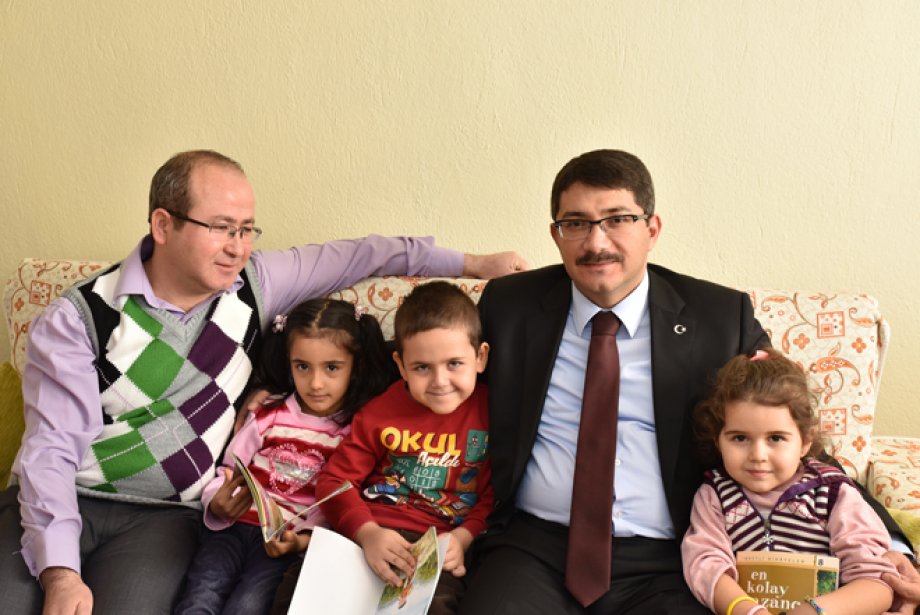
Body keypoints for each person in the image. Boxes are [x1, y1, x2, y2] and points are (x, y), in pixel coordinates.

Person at [0, 149, 528, 615]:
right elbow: (50, 453)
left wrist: (474, 263)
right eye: (221, 228)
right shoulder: (81, 317)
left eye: (247, 229)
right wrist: (60, 574)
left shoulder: (254, 285)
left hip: (163, 518)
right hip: (61, 497)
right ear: (163, 225)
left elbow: (366, 253)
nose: (238, 247)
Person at [458, 149, 918, 614]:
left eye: (617, 219)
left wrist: (892, 547)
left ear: (652, 229)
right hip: (533, 548)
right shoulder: (510, 306)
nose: (596, 242)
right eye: (575, 223)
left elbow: (788, 424)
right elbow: (432, 375)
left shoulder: (720, 319)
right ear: (555, 234)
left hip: (673, 558)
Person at [173, 297, 393, 613]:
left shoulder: (355, 431)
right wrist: (215, 501)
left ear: (355, 367)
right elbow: (229, 468)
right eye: (302, 366)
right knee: (200, 597)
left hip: (284, 542)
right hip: (232, 527)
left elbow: (341, 501)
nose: (315, 383)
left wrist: (304, 541)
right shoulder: (268, 411)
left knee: (247, 606)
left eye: (332, 368)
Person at [316, 281, 494, 615]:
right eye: (422, 367)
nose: (440, 381)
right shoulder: (379, 413)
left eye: (454, 363)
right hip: (371, 533)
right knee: (301, 591)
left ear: (480, 357)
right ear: (400, 365)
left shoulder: (494, 414)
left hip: (438, 546)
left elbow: (494, 495)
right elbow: (333, 482)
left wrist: (464, 538)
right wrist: (367, 533)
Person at [681, 348, 895, 615]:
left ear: (805, 441)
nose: (758, 455)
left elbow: (877, 584)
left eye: (776, 438)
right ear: (718, 440)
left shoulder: (833, 494)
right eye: (740, 438)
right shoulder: (714, 496)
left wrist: (813, 612)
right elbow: (704, 565)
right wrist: (747, 611)